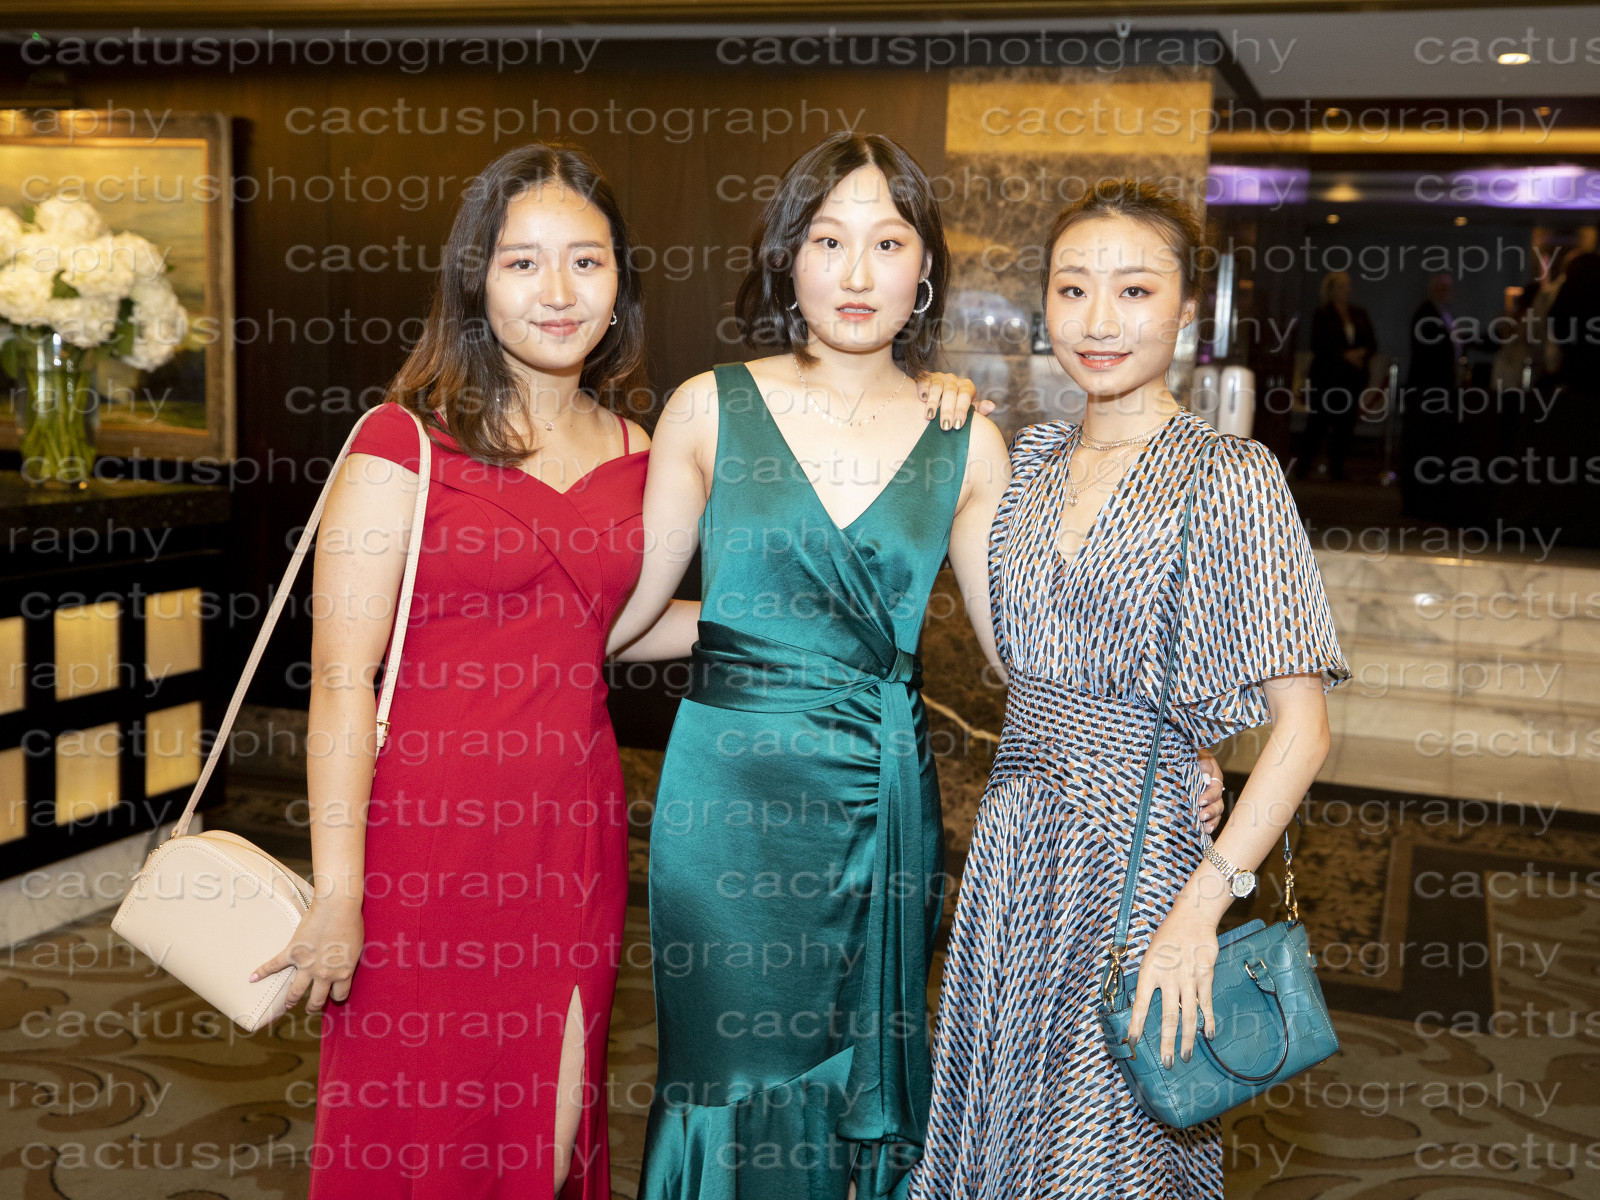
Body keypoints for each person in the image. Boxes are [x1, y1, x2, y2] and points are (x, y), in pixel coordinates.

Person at [911, 180, 1349, 1198]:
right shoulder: (1025, 459)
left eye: (1135, 290)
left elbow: (1304, 730)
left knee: (1107, 1142)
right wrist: (929, 402)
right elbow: (1020, 661)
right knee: (1001, 1115)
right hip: (1016, 842)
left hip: (1142, 855)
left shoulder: (1230, 475)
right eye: (1072, 290)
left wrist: (1202, 909)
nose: (1098, 321)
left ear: (1188, 309)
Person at [251, 143, 669, 1199]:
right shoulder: (403, 443)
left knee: (551, 1122)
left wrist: (788, 622)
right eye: (523, 262)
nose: (559, 291)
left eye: (587, 261)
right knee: (424, 1126)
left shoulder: (641, 450)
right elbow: (341, 681)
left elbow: (602, 627)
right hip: (423, 843)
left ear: (620, 281)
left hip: (571, 828)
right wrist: (339, 892)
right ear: (476, 279)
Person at [1298, 269, 1376, 481]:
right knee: (1317, 423)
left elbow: (1371, 342)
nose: (1346, 290)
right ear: (1331, 289)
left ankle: (1337, 468)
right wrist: (1345, 355)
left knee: (1345, 425)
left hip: (1351, 379)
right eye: (1341, 286)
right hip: (1327, 377)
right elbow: (1319, 344)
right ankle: (1303, 467)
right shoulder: (1322, 314)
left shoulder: (1359, 313)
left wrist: (1359, 354)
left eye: (1347, 286)